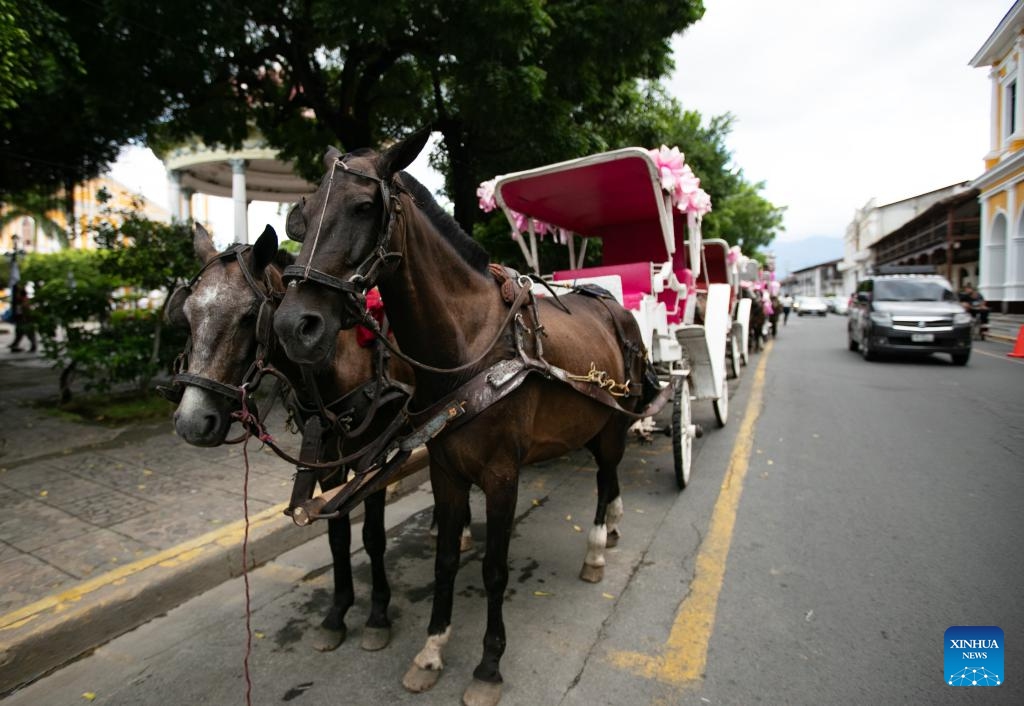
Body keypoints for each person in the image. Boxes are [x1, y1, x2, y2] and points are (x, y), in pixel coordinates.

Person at [8, 282, 37, 353]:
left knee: (28, 333)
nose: (17, 295)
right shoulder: (20, 301)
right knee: (19, 333)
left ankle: (33, 345)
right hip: (21, 320)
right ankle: (15, 345)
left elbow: (26, 310)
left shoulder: (24, 301)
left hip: (25, 320)